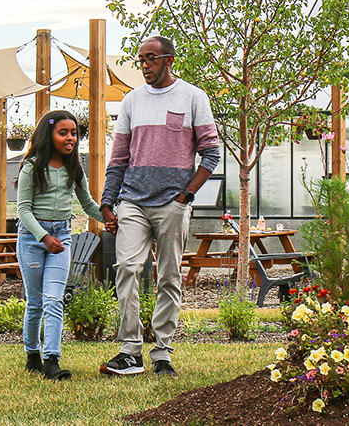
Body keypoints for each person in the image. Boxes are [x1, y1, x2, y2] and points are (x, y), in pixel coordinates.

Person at [98, 35, 220, 377]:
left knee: (169, 277)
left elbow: (211, 153)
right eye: (141, 60)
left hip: (172, 203)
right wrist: (108, 202)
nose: (144, 65)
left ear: (168, 60)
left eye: (150, 58)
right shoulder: (132, 101)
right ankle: (130, 351)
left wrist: (186, 195)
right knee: (127, 269)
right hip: (132, 201)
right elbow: (118, 157)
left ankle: (162, 352)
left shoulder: (193, 97)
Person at [15, 109, 102, 381]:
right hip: (32, 238)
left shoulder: (74, 168)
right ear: (48, 134)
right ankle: (33, 354)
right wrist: (43, 236)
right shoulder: (31, 167)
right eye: (63, 132)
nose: (70, 138)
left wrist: (111, 218)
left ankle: (52, 360)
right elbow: (23, 210)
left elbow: (87, 204)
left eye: (74, 133)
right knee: (36, 303)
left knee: (55, 299)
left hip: (62, 237)